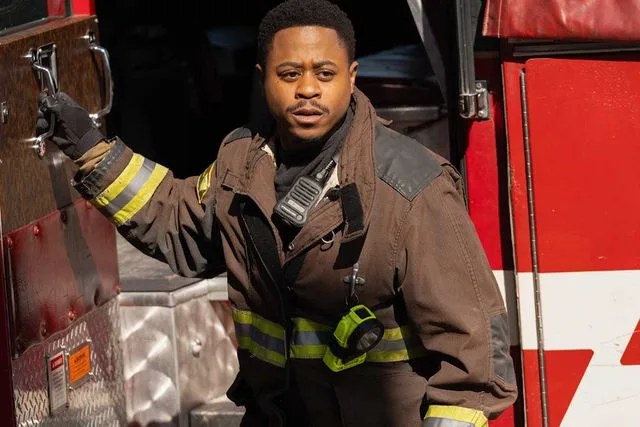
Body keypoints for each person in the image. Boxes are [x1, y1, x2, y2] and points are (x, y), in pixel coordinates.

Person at [37, 1, 517, 426]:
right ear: (262, 76)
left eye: (324, 74)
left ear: (351, 77)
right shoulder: (241, 165)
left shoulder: (412, 190)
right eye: (289, 74)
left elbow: (475, 370)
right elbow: (179, 225)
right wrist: (91, 150)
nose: (307, 89)